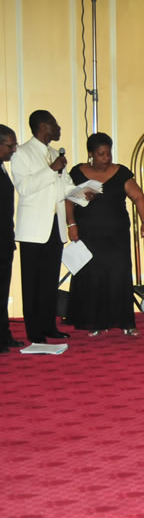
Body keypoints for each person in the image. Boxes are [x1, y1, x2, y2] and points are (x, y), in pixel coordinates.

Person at [10, 110, 90, 344]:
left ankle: (49, 327)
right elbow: (24, 187)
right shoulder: (22, 153)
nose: (58, 128)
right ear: (43, 126)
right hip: (33, 230)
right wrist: (52, 169)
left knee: (48, 283)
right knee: (33, 284)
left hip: (55, 228)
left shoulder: (56, 154)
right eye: (55, 124)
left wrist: (84, 195)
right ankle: (34, 332)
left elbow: (65, 188)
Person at [64, 133, 144, 336]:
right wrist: (71, 224)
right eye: (101, 154)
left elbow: (138, 196)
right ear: (91, 154)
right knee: (92, 277)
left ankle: (125, 323)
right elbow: (68, 199)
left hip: (116, 235)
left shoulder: (121, 173)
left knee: (118, 275)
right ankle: (94, 323)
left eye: (108, 153)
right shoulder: (77, 172)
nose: (106, 158)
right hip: (88, 234)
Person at [0, 124, 23, 354]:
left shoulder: (2, 167)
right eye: (10, 145)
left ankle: (4, 336)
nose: (14, 149)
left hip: (5, 240)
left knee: (2, 291)